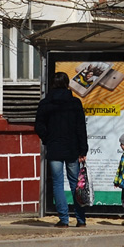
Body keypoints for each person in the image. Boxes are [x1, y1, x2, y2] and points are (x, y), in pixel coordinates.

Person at [34, 71, 89, 228]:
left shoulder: (45, 103)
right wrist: (83, 150)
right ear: (67, 84)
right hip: (72, 148)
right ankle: (81, 220)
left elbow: (39, 126)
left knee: (58, 183)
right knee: (75, 184)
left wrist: (48, 138)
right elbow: (81, 128)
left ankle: (64, 220)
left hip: (55, 148)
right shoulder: (75, 103)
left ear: (52, 84)